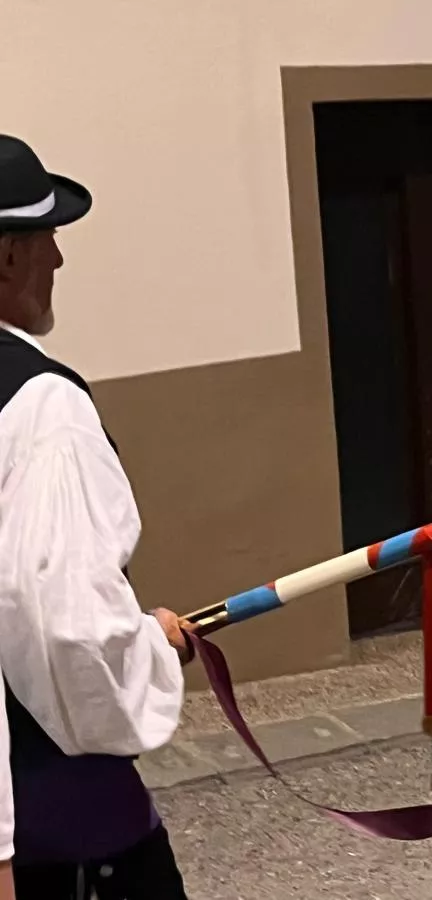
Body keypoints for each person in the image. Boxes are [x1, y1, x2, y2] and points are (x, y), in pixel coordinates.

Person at [0, 135, 193, 898]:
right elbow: (66, 628)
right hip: (56, 828)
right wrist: (152, 645)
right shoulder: (42, 408)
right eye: (48, 237)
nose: (59, 259)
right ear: (8, 255)